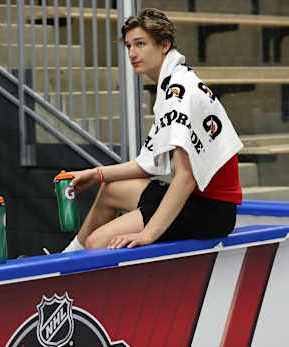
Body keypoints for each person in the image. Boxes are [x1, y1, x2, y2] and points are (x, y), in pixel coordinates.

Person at [63, 8, 243, 252]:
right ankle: (67, 259)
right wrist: (96, 174)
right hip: (198, 199)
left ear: (164, 45)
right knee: (111, 189)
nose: (132, 53)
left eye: (140, 44)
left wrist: (148, 233)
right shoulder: (173, 81)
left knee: (98, 242)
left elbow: (186, 177)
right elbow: (147, 164)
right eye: (128, 46)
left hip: (210, 210)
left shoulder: (179, 91)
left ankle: (81, 282)